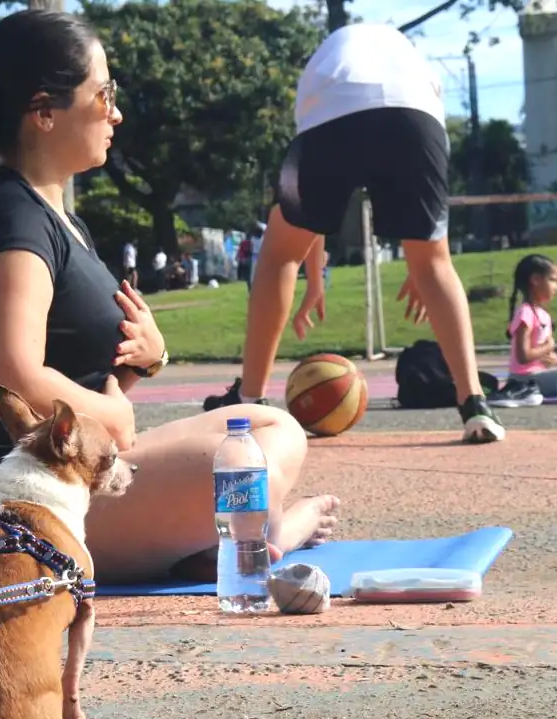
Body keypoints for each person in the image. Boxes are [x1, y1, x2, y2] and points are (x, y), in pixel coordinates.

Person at [0, 9, 339, 583]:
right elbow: (11, 379)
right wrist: (114, 415)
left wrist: (146, 360)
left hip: (67, 474)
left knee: (261, 428)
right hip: (2, 504)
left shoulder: (59, 219)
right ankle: (263, 538)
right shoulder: (12, 220)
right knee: (274, 444)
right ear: (44, 111)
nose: (115, 112)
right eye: (103, 94)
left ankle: (203, 544)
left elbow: (83, 378)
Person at [201, 22, 505, 443]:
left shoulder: (326, 65)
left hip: (331, 112)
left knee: (277, 254)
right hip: (415, 113)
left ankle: (249, 397)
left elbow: (308, 217)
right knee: (436, 263)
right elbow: (427, 241)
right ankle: (475, 403)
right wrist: (424, 265)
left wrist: (310, 272)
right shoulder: (409, 61)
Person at [490, 254, 557, 408]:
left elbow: (541, 353)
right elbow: (523, 356)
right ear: (535, 280)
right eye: (553, 280)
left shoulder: (543, 314)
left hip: (538, 375)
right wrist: (547, 348)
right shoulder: (525, 312)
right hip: (524, 378)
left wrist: (552, 359)